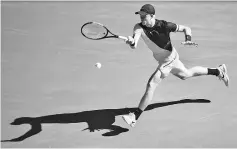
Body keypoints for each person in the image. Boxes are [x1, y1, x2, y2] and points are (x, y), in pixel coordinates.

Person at [122, 4, 229, 127]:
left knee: (151, 84)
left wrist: (188, 39)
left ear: (152, 16)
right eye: (140, 16)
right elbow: (134, 44)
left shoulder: (164, 25)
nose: (141, 19)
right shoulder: (139, 27)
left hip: (168, 60)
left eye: (144, 16)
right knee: (186, 74)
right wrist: (131, 41)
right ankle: (218, 71)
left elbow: (186, 28)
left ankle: (134, 116)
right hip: (169, 57)